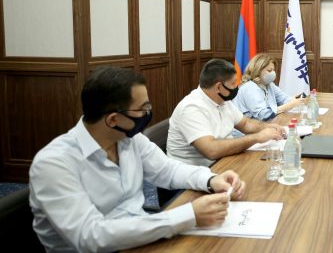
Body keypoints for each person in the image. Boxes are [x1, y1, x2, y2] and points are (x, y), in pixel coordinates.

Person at [29, 67, 246, 252]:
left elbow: (167, 170)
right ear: (113, 119)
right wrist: (187, 215)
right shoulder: (54, 163)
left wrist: (210, 180)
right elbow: (91, 236)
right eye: (143, 109)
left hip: (141, 236)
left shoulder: (129, 139)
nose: (148, 114)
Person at [167, 58, 286, 167]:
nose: (236, 87)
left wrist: (269, 127)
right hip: (196, 174)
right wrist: (257, 137)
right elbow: (211, 150)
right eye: (233, 84)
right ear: (218, 87)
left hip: (223, 162)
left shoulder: (222, 100)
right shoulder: (191, 108)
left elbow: (246, 124)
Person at [234, 53, 306, 121]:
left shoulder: (269, 84)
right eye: (269, 70)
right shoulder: (249, 87)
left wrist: (293, 100)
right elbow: (264, 115)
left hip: (265, 124)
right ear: (258, 70)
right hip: (248, 128)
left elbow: (283, 99)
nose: (273, 73)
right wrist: (289, 105)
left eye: (273, 70)